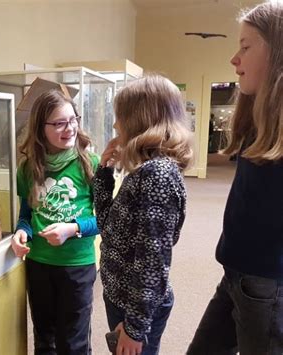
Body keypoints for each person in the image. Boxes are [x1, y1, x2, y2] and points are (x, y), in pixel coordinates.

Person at [187, 1, 283, 354]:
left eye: (245, 46)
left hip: (267, 284)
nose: (234, 58)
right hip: (236, 275)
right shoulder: (260, 121)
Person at [94, 74, 193, 355]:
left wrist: (135, 329)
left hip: (134, 306)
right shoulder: (144, 172)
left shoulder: (157, 176)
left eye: (120, 116)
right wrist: (104, 170)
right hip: (121, 297)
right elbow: (108, 229)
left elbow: (153, 261)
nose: (115, 125)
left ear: (139, 119)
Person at [10, 89, 100, 355]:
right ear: (41, 128)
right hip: (39, 265)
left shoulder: (91, 163)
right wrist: (21, 233)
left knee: (73, 343)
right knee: (44, 339)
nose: (69, 128)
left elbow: (107, 220)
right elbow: (26, 216)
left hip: (78, 266)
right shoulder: (27, 169)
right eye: (59, 123)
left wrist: (72, 229)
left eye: (72, 120)